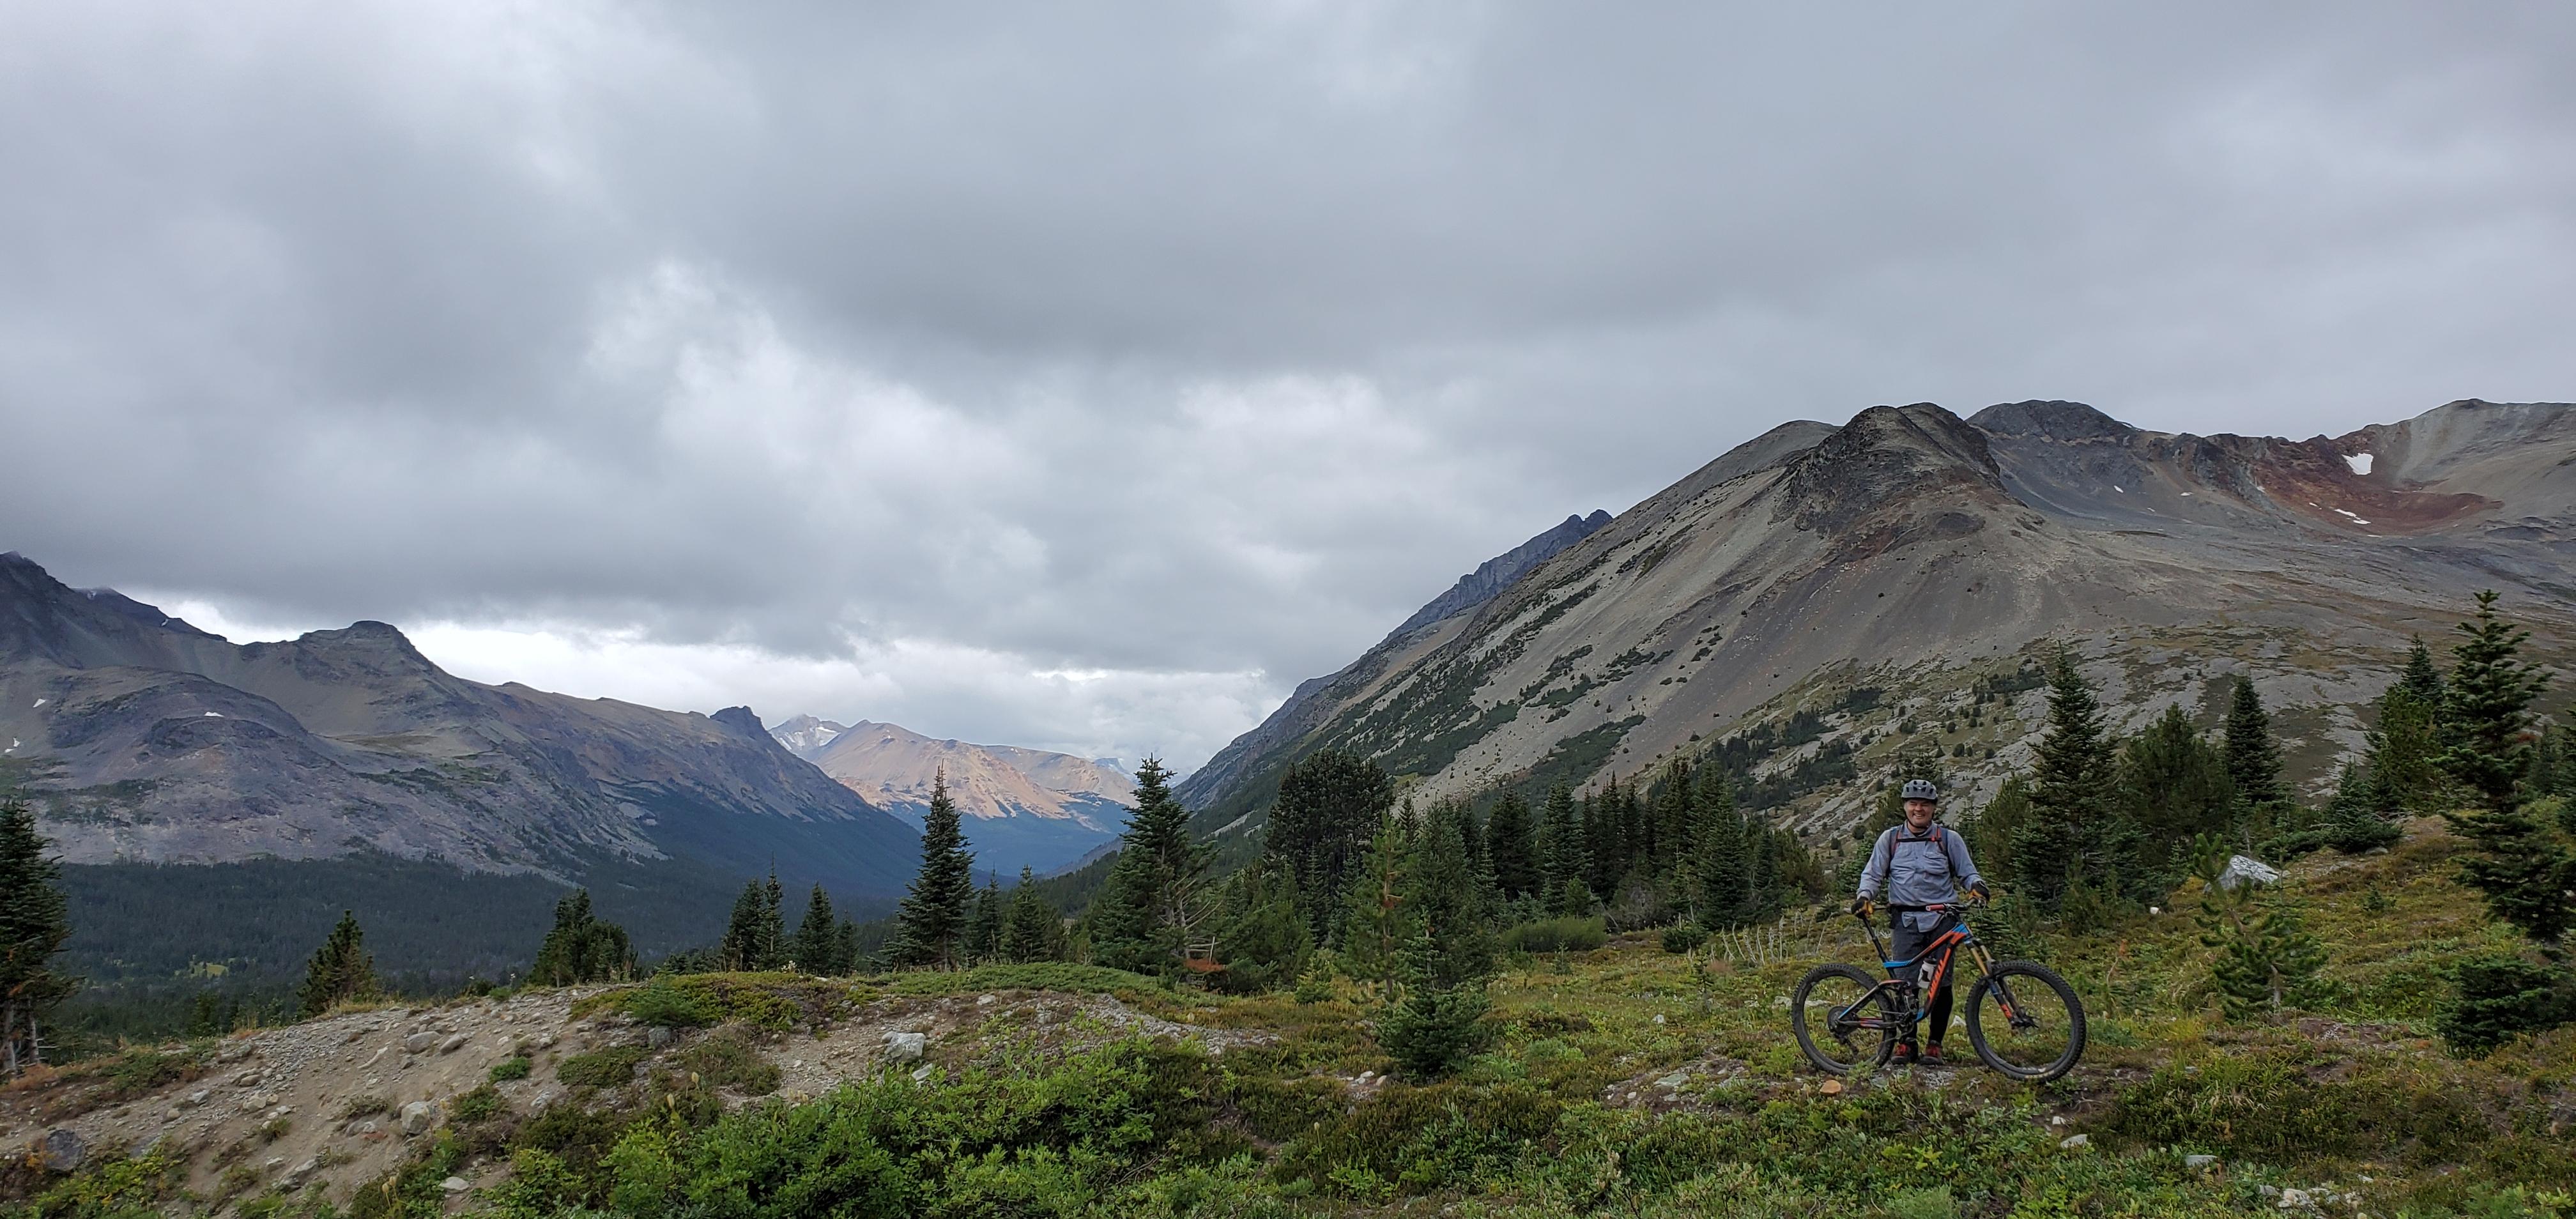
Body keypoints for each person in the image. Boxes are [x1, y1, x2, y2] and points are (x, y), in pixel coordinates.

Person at [1851, 778, 1989, 1066]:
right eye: (1913, 803)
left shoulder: (1949, 839)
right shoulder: (1890, 839)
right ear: (1905, 806)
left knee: (1943, 985)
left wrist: (1977, 886)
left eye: (1925, 804)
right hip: (1906, 921)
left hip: (1943, 921)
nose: (1919, 809)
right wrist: (1865, 896)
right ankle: (1906, 1042)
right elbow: (1873, 874)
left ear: (1933, 808)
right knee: (1905, 984)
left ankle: (1935, 1045)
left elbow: (1967, 873)